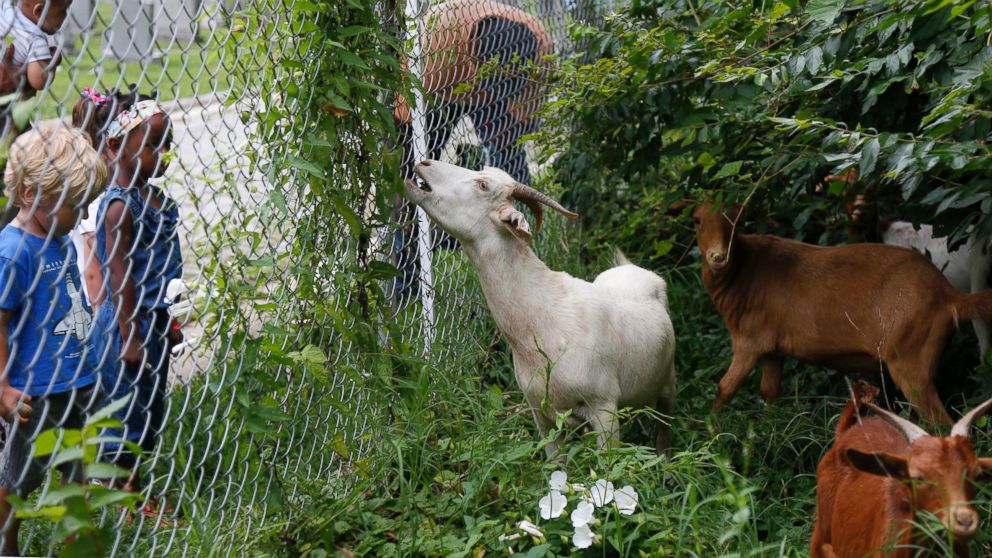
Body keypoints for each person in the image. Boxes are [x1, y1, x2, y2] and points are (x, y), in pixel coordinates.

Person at [0, 123, 107, 556]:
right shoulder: (14, 252)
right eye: (74, 207)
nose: (82, 219)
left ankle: (78, 544)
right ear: (31, 195)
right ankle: (7, 546)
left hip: (75, 382)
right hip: (35, 394)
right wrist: (3, 387)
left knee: (77, 470)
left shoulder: (59, 239)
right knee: (17, 481)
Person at [89, 95, 182, 517]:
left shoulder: (159, 202)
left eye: (167, 145)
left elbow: (168, 269)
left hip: (156, 321)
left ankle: (132, 491)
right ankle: (123, 497)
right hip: (128, 324)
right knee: (125, 410)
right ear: (117, 147)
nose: (162, 154)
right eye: (152, 144)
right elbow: (120, 277)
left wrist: (171, 318)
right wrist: (129, 337)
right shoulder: (119, 207)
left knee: (148, 410)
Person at [0, 0, 69, 93]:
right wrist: (53, 60)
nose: (66, 15)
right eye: (63, 10)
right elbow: (39, 81)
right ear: (39, 12)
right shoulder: (35, 38)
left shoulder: (4, 4)